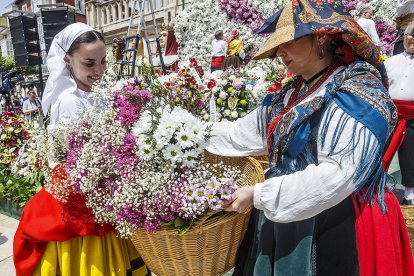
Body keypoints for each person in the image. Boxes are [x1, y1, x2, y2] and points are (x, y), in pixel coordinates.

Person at [206, 1, 414, 275]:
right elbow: (239, 135)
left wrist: (259, 194)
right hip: (288, 213)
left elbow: (338, 174)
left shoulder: (355, 92)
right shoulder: (292, 93)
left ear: (321, 38)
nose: (279, 51)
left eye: (289, 42)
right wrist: (184, 133)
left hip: (336, 219)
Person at [13, 23, 148, 276]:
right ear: (67, 60)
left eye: (103, 62)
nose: (99, 70)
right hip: (85, 197)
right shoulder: (69, 101)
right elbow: (87, 161)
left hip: (104, 192)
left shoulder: (97, 94)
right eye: (89, 63)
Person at [383, 21, 414, 205]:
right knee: (381, 151)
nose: (413, 40)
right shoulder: (390, 62)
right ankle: (375, 186)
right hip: (390, 115)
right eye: (411, 35)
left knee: (411, 154)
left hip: (412, 116)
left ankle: (410, 195)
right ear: (404, 37)